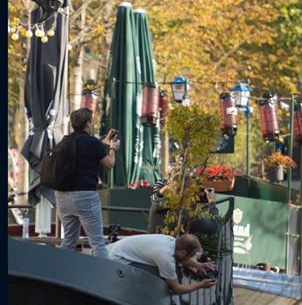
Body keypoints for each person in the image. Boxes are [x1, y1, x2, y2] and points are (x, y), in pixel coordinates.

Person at [55, 108, 119, 258]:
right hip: (85, 196)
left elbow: (86, 148)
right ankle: (101, 278)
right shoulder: (92, 143)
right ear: (88, 123)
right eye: (92, 121)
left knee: (69, 241)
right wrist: (113, 148)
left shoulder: (65, 141)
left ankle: (60, 274)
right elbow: (109, 164)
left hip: (62, 197)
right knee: (97, 243)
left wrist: (103, 142)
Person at [107, 233, 217, 294]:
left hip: (117, 249)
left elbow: (182, 259)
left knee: (165, 274)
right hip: (117, 259)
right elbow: (177, 288)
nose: (192, 259)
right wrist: (200, 285)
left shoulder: (171, 241)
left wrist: (198, 265)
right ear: (183, 252)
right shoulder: (165, 258)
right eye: (191, 256)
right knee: (160, 278)